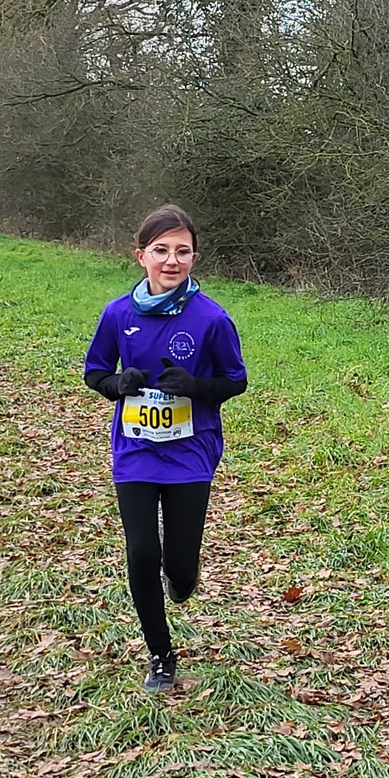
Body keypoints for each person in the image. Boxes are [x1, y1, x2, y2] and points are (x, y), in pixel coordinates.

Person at [83, 204, 248, 692]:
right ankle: (160, 654)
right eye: (161, 250)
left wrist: (196, 387)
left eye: (182, 251)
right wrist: (117, 385)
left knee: (178, 565)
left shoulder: (212, 318)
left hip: (190, 452)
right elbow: (95, 372)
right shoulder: (117, 314)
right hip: (135, 451)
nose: (171, 260)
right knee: (141, 553)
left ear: (194, 257)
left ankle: (182, 577)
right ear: (141, 256)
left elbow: (235, 380)